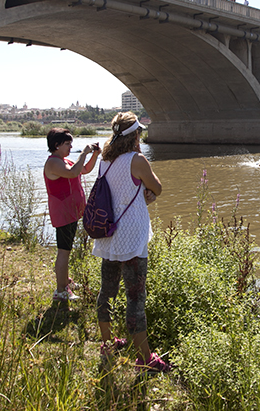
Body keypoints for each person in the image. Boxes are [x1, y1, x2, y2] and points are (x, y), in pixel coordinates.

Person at [93, 112, 170, 373]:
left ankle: (107, 342)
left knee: (108, 290)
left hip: (109, 234)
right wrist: (147, 193)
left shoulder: (105, 160)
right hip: (132, 236)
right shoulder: (136, 160)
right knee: (135, 296)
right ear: (135, 135)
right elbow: (156, 188)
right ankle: (144, 358)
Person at [43, 128, 99, 301]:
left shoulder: (64, 160)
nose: (70, 147)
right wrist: (84, 152)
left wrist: (94, 155)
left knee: (66, 248)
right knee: (64, 251)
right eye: (67, 144)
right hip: (63, 213)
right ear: (56, 145)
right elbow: (73, 173)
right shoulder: (54, 163)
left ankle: (65, 281)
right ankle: (61, 291)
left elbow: (84, 169)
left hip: (71, 212)